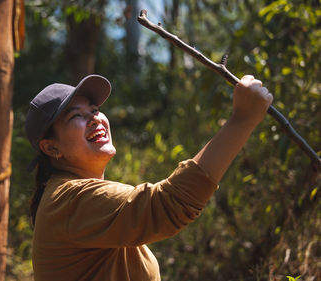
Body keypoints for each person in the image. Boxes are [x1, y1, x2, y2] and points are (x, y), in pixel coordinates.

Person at [24, 74, 273, 281]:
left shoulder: (78, 200)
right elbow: (168, 205)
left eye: (95, 109)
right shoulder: (69, 200)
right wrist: (242, 120)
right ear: (51, 148)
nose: (94, 118)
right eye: (76, 115)